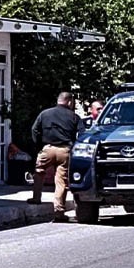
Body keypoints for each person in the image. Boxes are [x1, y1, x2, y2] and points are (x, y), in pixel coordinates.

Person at [27, 92, 84, 222]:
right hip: (65, 150)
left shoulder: (44, 113)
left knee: (39, 172)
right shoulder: (74, 117)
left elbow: (34, 130)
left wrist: (39, 145)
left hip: (47, 148)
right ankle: (59, 210)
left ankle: (36, 198)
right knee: (61, 181)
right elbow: (82, 134)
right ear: (69, 102)